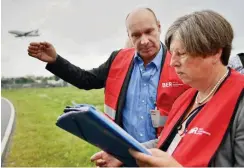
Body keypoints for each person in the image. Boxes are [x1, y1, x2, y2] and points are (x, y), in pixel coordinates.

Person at [27, 7, 189, 166]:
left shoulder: (179, 62)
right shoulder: (117, 59)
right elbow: (86, 80)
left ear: (159, 27)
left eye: (149, 31)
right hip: (122, 158)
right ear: (129, 36)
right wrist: (55, 60)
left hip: (164, 159)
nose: (144, 40)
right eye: (136, 35)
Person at [127, 10, 244, 167]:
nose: (172, 62)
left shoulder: (240, 103)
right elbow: (169, 142)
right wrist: (123, 152)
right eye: (171, 54)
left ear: (215, 52)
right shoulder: (186, 99)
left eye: (181, 53)